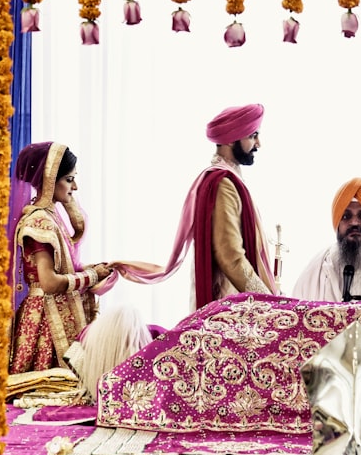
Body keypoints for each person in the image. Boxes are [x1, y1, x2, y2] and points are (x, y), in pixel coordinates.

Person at [100, 103, 278, 311]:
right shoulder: (223, 184)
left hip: (237, 301)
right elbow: (230, 257)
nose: (258, 143)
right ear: (231, 139)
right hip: (231, 307)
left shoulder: (229, 180)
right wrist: (266, 301)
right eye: (253, 135)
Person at [7, 142, 113, 374]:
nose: (74, 186)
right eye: (68, 179)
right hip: (46, 320)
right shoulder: (39, 222)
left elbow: (62, 268)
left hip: (53, 309)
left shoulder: (50, 217)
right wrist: (92, 275)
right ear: (49, 179)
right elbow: (49, 282)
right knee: (53, 390)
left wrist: (91, 269)